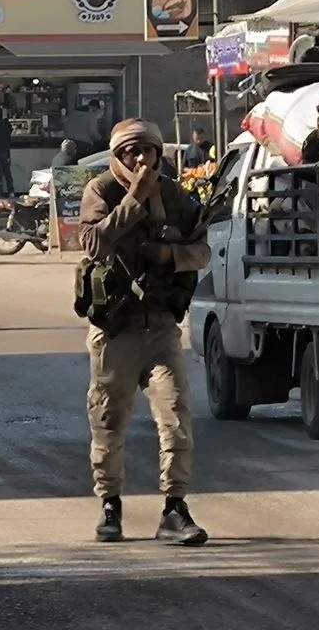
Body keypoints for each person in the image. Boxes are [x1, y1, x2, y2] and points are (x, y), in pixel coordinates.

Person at [78, 119, 211, 547]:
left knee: (176, 418)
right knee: (108, 421)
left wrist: (168, 254)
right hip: (115, 331)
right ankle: (110, 505)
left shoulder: (174, 196)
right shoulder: (102, 191)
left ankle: (174, 508)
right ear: (117, 157)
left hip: (161, 329)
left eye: (147, 152)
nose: (140, 159)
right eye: (130, 152)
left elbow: (202, 251)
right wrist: (134, 199)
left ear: (158, 154)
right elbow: (94, 242)